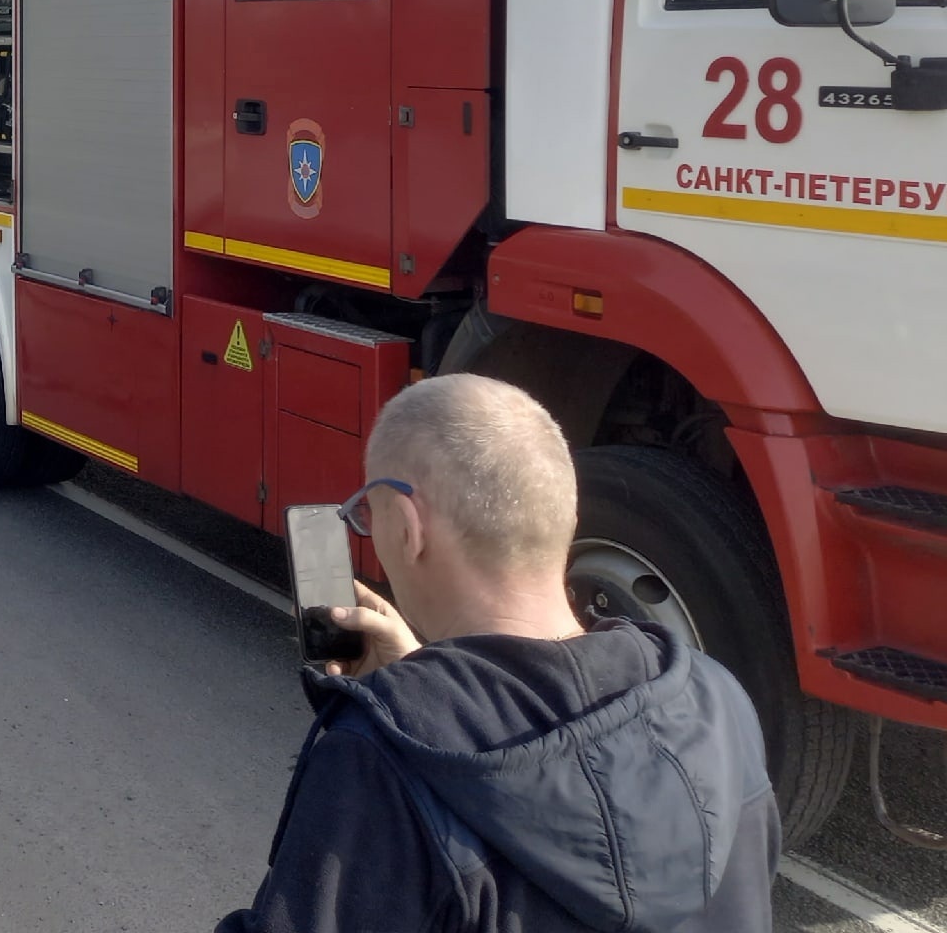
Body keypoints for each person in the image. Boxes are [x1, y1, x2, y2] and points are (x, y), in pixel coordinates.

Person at [218, 375, 778, 933]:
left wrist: (414, 711)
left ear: (410, 528)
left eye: (369, 513)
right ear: (564, 518)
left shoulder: (378, 761)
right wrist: (432, 684)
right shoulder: (714, 697)